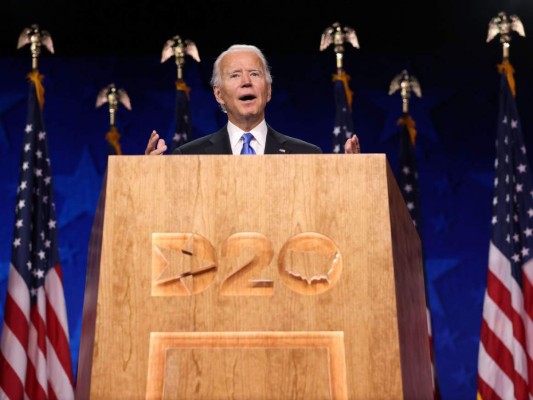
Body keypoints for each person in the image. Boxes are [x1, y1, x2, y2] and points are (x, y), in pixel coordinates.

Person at [145, 44, 361, 155]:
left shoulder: (306, 154)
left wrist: (350, 178)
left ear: (268, 91)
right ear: (219, 94)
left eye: (255, 74)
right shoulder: (188, 156)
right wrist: (148, 178)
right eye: (235, 75)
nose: (246, 82)